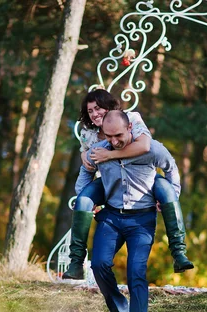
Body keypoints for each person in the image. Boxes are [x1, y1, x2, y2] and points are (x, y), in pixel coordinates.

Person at [76, 110, 181, 312]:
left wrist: (171, 195)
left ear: (130, 128)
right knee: (98, 264)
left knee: (136, 274)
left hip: (142, 219)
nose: (114, 141)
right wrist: (88, 200)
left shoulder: (151, 149)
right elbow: (84, 175)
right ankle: (120, 309)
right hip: (111, 216)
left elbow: (171, 168)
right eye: (109, 136)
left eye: (119, 135)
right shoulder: (100, 150)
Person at [62, 89, 193, 279]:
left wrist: (110, 154)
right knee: (82, 200)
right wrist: (89, 197)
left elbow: (145, 146)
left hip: (142, 177)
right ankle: (76, 262)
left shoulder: (131, 118)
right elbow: (87, 165)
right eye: (90, 111)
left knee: (166, 189)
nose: (94, 113)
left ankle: (179, 252)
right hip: (110, 182)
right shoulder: (87, 133)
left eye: (98, 108)